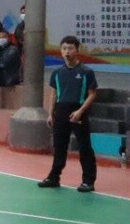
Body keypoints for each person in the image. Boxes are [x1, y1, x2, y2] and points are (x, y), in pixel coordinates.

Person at [39, 36, 98, 193]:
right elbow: (53, 94)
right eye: (64, 48)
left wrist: (80, 111)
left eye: (70, 48)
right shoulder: (57, 73)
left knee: (84, 147)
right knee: (59, 146)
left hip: (78, 111)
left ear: (77, 50)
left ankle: (88, 181)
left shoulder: (86, 72)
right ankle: (54, 178)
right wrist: (51, 114)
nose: (67, 52)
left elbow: (92, 94)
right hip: (60, 111)